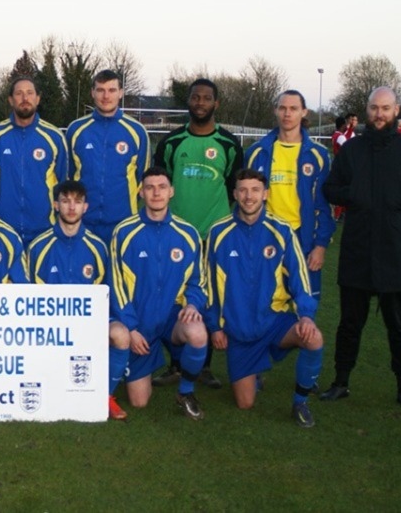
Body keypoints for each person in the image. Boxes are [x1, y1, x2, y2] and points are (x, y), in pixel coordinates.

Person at [319, 87, 401, 412]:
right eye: (374, 108)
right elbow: (331, 188)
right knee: (349, 324)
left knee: (400, 327)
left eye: (385, 108)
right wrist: (353, 194)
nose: (379, 114)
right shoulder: (352, 150)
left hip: (396, 255)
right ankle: (341, 382)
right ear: (366, 111)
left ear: (396, 110)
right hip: (357, 253)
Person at [205, 169, 323, 427]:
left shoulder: (281, 230)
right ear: (234, 194)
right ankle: (255, 372)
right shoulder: (218, 233)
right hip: (240, 331)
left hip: (274, 322)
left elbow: (301, 280)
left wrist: (306, 316)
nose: (249, 197)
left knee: (313, 339)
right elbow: (209, 286)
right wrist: (215, 327)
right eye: (243, 190)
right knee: (245, 404)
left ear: (265, 194)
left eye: (255, 190)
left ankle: (300, 402)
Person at [152, 78, 243, 388]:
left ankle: (203, 365)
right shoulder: (172, 142)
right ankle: (175, 363)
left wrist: (215, 220)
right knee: (170, 296)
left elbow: (235, 189)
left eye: (206, 98)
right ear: (188, 102)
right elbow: (159, 181)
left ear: (216, 104)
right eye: (195, 97)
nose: (200, 102)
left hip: (212, 237)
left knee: (207, 298)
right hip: (175, 236)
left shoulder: (229, 144)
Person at [109, 166, 209, 420]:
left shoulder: (188, 234)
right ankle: (132, 365)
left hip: (172, 319)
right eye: (150, 187)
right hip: (139, 323)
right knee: (140, 402)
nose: (156, 193)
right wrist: (130, 328)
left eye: (162, 187)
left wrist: (193, 305)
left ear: (171, 191)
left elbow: (199, 281)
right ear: (141, 192)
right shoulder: (124, 232)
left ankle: (185, 392)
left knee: (197, 332)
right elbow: (116, 286)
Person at [27, 180, 131, 420]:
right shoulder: (38, 247)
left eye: (77, 202)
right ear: (55, 205)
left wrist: (119, 321)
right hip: (50, 328)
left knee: (121, 334)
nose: (71, 207)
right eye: (65, 201)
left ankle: (105, 396)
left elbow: (110, 289)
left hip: (89, 324)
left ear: (86, 207)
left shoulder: (98, 247)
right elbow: (28, 296)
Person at [245, 90, 335, 301]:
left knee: (304, 309)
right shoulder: (257, 152)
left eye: (293, 108)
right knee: (260, 303)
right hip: (264, 237)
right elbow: (244, 201)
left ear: (304, 112)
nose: (287, 113)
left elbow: (324, 206)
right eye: (282, 108)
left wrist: (320, 246)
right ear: (275, 111)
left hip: (302, 240)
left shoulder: (318, 155)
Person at [67, 69, 150, 241]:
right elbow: (68, 176)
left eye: (112, 90)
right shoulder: (76, 130)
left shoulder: (136, 131)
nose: (106, 96)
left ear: (121, 93)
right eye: (100, 90)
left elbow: (143, 178)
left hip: (124, 222)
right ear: (92, 93)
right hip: (83, 222)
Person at [0, 76, 67, 245]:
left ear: (38, 98)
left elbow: (63, 183)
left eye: (30, 93)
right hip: (1, 230)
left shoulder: (54, 137)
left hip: (44, 230)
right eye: (19, 94)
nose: (25, 98)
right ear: (11, 100)